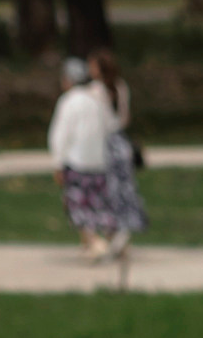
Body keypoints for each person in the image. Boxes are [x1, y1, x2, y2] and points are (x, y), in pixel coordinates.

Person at [46, 52, 115, 259]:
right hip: (99, 161)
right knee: (97, 202)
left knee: (78, 205)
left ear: (68, 80)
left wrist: (58, 164)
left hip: (77, 162)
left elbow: (59, 136)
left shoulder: (68, 102)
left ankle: (95, 242)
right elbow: (110, 127)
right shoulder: (97, 100)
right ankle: (102, 240)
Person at [90, 48, 147, 261]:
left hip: (104, 144)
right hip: (121, 142)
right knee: (123, 190)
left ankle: (113, 235)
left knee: (105, 191)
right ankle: (122, 235)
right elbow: (125, 118)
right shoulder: (121, 86)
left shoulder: (94, 91)